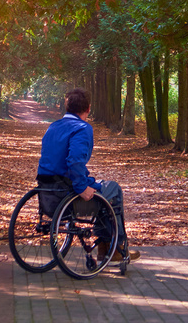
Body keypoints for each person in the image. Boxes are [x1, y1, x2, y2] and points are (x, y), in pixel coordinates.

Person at [37, 87, 139, 262]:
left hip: (47, 192)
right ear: (88, 108)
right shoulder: (82, 128)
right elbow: (75, 160)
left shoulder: (53, 127)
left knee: (100, 189)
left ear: (66, 106)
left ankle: (107, 247)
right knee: (113, 189)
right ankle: (115, 247)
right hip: (68, 193)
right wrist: (82, 186)